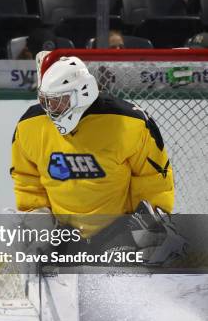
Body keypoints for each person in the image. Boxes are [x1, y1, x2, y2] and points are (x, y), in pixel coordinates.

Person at [11, 54, 186, 259]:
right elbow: (26, 177)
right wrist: (36, 215)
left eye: (58, 101)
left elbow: (153, 178)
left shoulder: (131, 122)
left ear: (82, 93)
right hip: (62, 233)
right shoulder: (29, 125)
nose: (51, 109)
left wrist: (151, 220)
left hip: (119, 230)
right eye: (46, 101)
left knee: (122, 278)